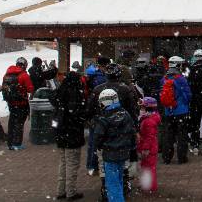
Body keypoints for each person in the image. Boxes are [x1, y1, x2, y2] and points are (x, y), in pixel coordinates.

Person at [86, 63, 139, 199]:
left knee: (104, 163)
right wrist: (134, 129)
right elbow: (133, 112)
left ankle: (108, 188)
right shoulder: (125, 89)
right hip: (122, 131)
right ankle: (122, 186)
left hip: (103, 131)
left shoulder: (98, 89)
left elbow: (89, 111)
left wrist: (94, 124)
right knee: (122, 163)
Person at [93, 89, 136, 202]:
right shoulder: (125, 114)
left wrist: (99, 146)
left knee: (112, 184)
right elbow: (132, 132)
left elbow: (97, 137)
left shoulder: (104, 119)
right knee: (119, 180)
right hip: (123, 153)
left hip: (110, 155)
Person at [51, 71, 87, 201]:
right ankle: (70, 192)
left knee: (63, 162)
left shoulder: (60, 92)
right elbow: (78, 115)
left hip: (61, 132)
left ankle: (61, 190)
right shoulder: (75, 94)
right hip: (72, 133)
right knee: (72, 163)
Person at [159, 56, 192, 165]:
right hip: (181, 111)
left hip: (168, 111)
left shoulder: (164, 78)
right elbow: (187, 95)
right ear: (178, 65)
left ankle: (166, 157)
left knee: (168, 135)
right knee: (182, 134)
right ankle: (181, 157)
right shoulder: (181, 79)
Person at [2, 56, 35, 150]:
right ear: (24, 65)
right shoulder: (24, 75)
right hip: (21, 103)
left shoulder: (6, 75)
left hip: (11, 103)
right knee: (19, 123)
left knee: (12, 122)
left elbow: (4, 88)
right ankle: (17, 143)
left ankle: (10, 142)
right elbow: (30, 89)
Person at [85, 57, 110, 176]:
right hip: (101, 113)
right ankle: (95, 165)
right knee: (97, 140)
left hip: (94, 113)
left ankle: (91, 165)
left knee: (92, 141)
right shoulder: (101, 79)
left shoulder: (92, 76)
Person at [137, 97, 161, 193]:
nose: (141, 110)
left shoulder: (148, 121)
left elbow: (149, 137)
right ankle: (147, 185)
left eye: (142, 108)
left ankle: (150, 187)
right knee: (147, 167)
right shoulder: (148, 119)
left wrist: (145, 149)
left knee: (149, 168)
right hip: (149, 148)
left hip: (149, 149)